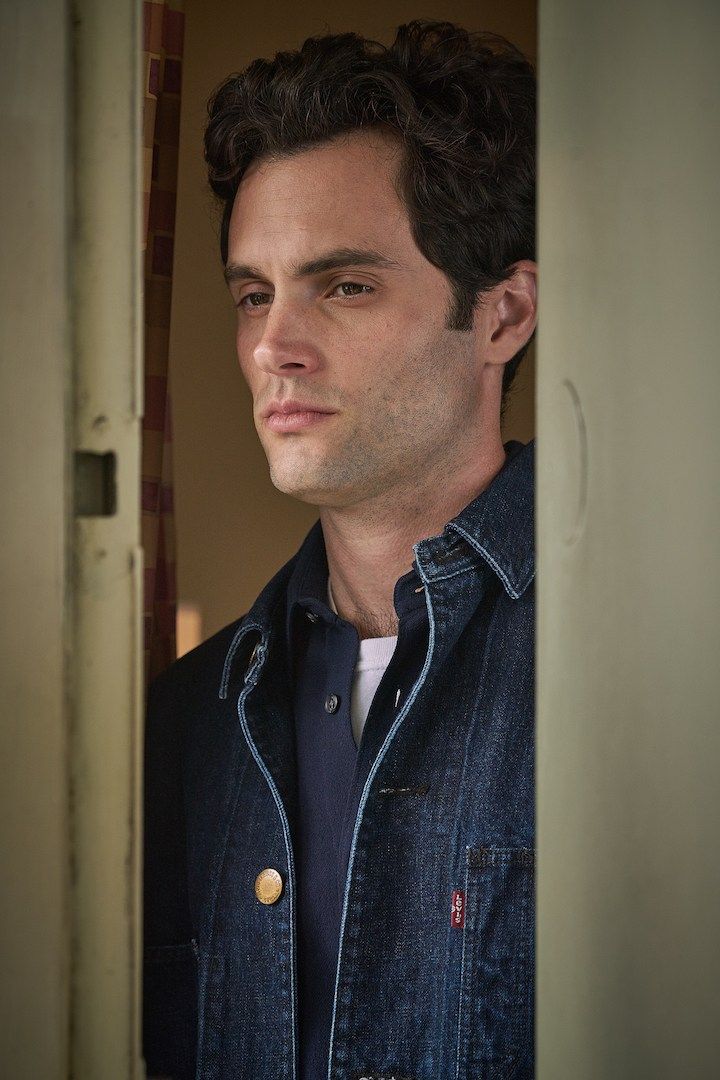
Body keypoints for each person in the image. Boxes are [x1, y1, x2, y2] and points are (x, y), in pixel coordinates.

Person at [143, 20, 537, 1080]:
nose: (274, 345)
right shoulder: (185, 724)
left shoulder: (647, 666)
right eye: (254, 293)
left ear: (502, 315)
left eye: (344, 285)